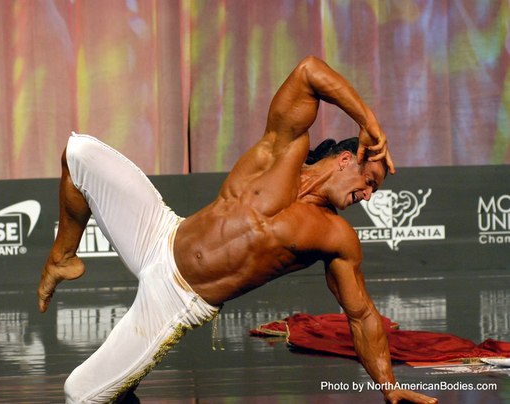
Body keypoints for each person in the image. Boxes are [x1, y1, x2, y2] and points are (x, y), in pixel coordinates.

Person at [37, 56, 438, 404]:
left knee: (79, 394)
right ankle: (63, 257)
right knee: (80, 153)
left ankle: (120, 391)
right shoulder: (283, 150)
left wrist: (388, 385)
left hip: (175, 300)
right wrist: (368, 121)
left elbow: (362, 315)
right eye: (369, 181)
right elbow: (308, 71)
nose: (367, 195)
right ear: (346, 159)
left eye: (372, 191)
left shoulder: (336, 236)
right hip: (160, 234)